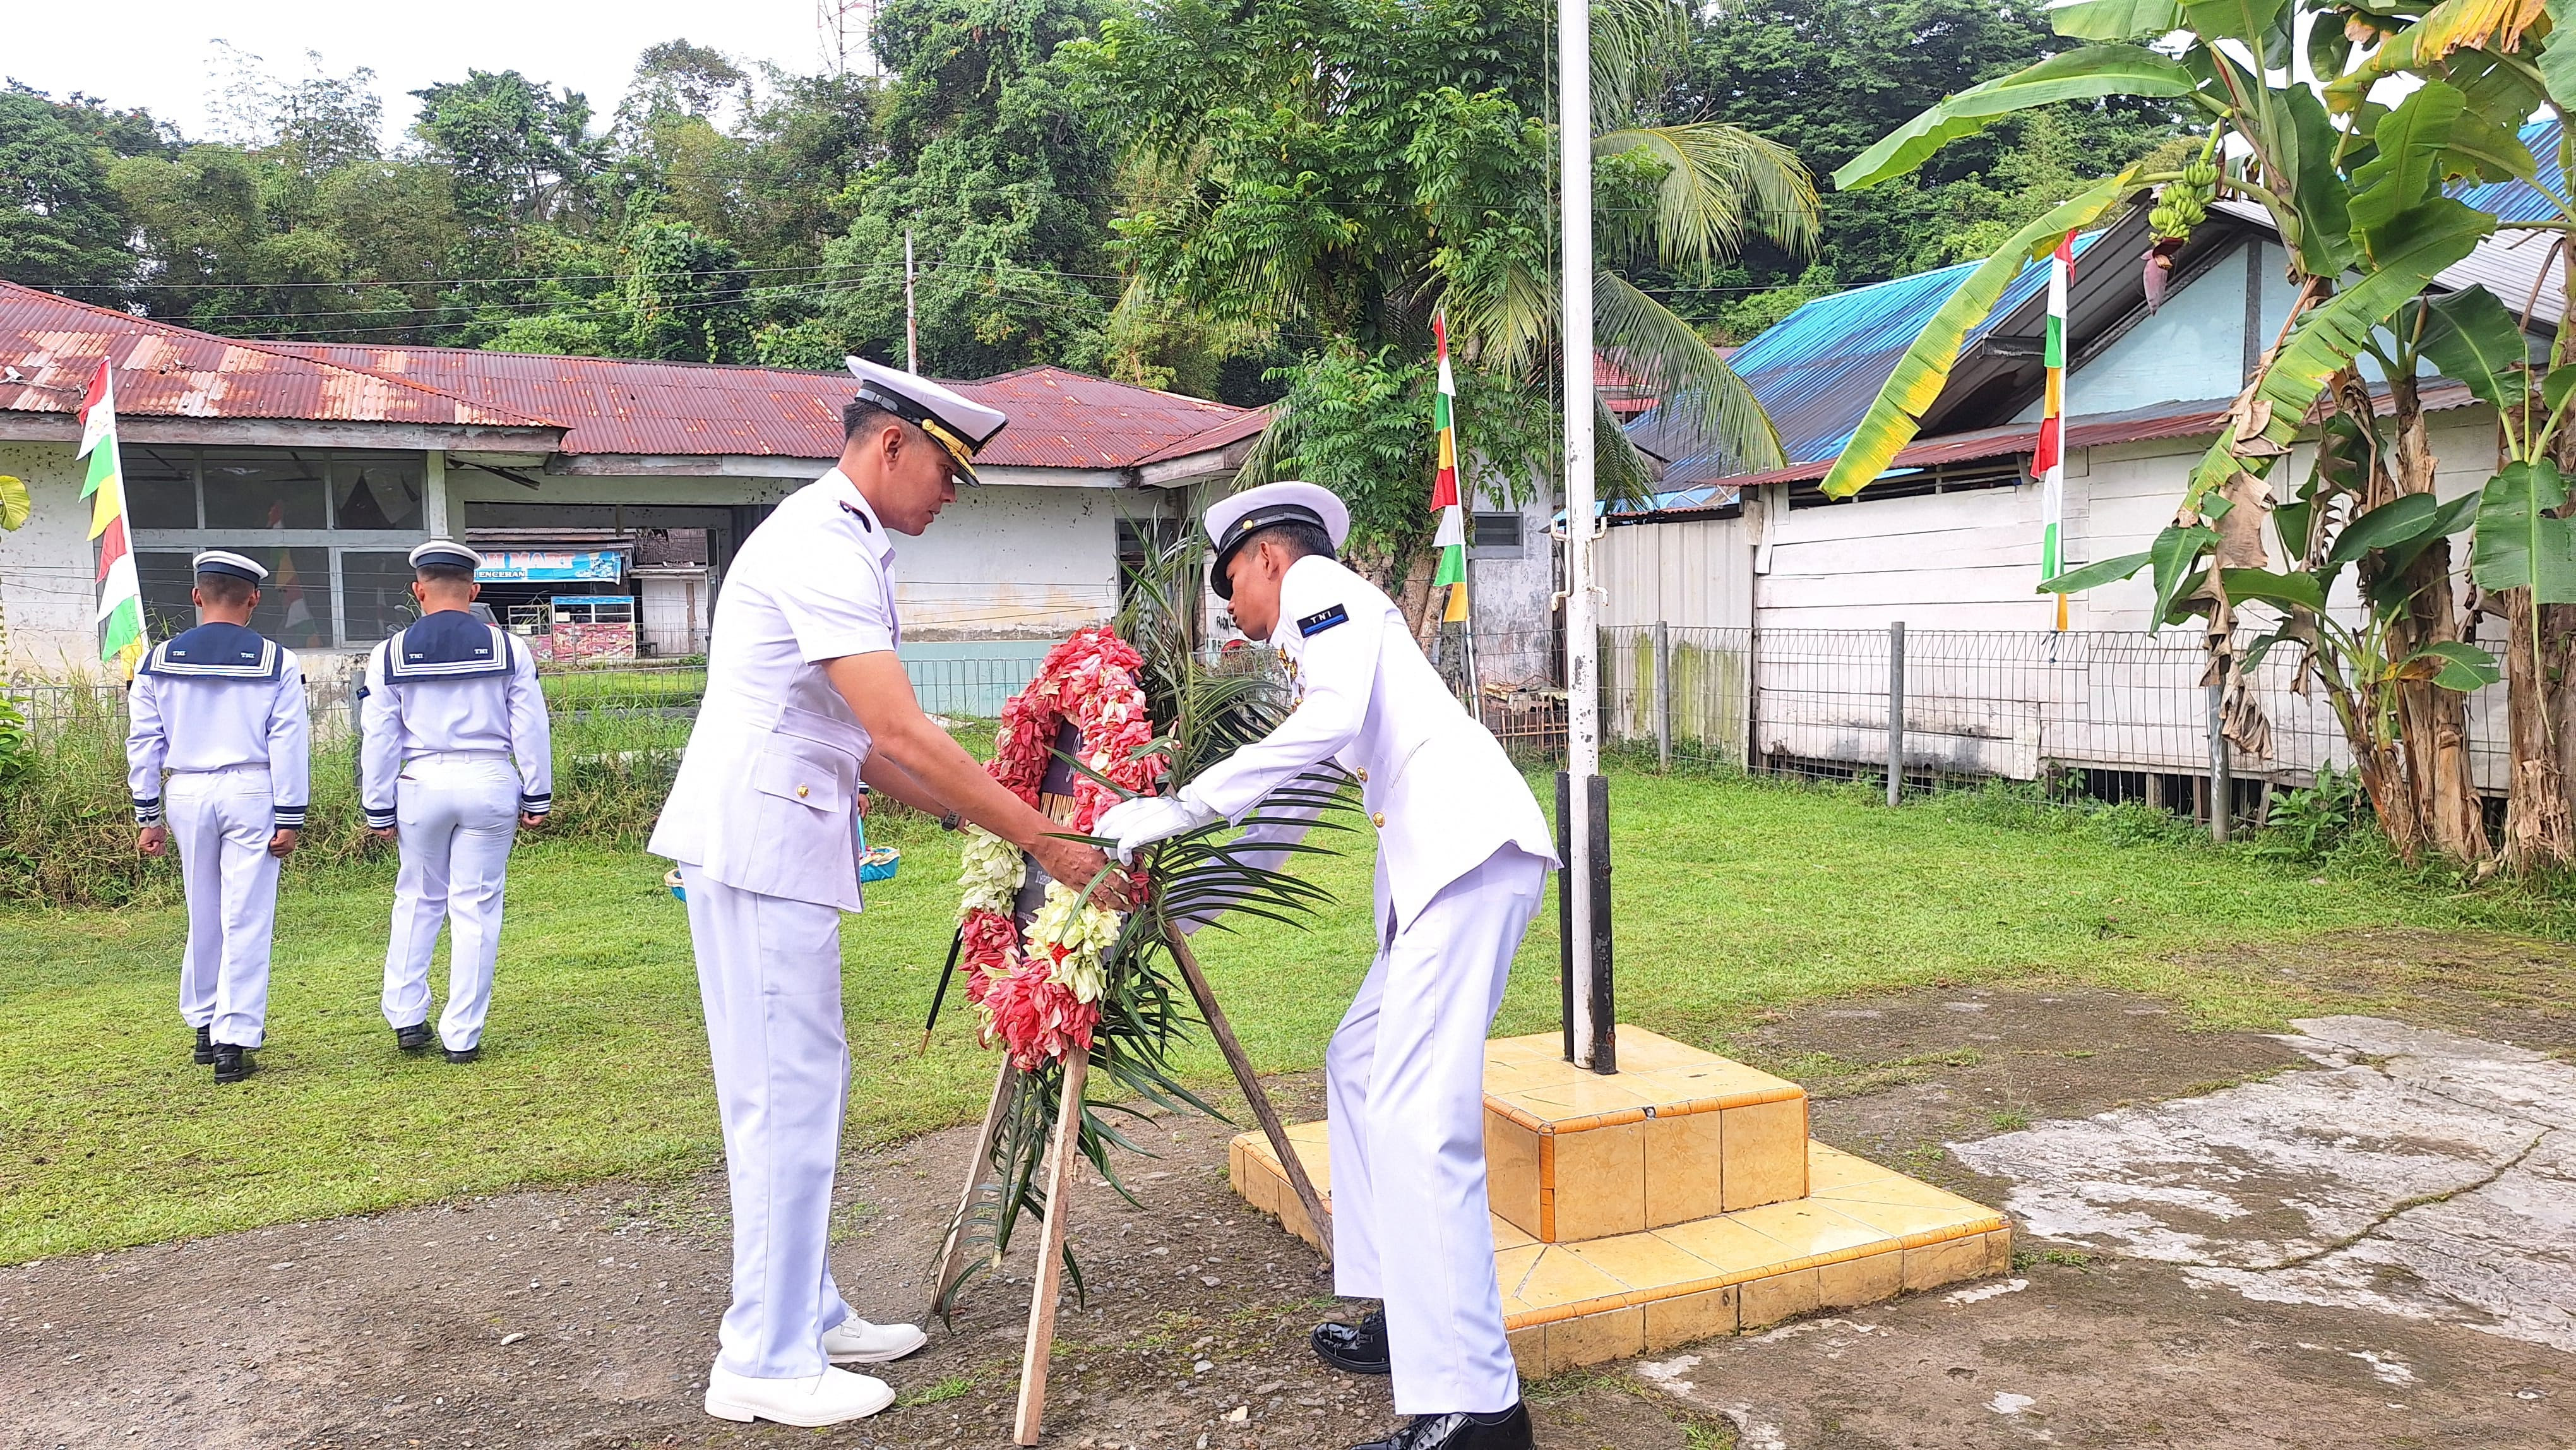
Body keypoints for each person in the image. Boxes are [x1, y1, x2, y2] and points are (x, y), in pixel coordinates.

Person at [648, 357, 1132, 1429]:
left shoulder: (845, 539)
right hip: (763, 843)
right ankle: (764, 1360)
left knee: (796, 1088)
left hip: (775, 835)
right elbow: (901, 727)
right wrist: (1044, 837)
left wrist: (974, 816)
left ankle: (802, 1312)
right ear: (890, 446)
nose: (951, 497)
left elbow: (864, 743)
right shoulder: (823, 542)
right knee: (785, 1097)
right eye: (947, 474)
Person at [1097, 482, 1556, 1450]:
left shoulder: (1318, 589)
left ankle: (1480, 1407)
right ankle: (1409, 1319)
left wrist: (1182, 804)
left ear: (1267, 556)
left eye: (1231, 585)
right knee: (1359, 1061)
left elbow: (1328, 721)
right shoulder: (1330, 630)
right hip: (1454, 870)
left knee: (1422, 1122)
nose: (1235, 612)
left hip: (1468, 861)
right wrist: (1171, 893)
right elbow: (1294, 800)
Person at [359, 541, 553, 1065]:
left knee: (418, 899)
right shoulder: (511, 648)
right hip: (490, 780)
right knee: (477, 906)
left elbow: (379, 736)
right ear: (474, 590)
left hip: (421, 781)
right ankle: (462, 1035)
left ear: (418, 589)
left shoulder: (389, 653)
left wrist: (377, 804)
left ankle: (406, 1017)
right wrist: (538, 792)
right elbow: (530, 726)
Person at [126, 550, 313, 1086]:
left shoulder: (157, 659)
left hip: (185, 790)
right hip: (252, 788)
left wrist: (148, 813)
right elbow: (288, 743)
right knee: (246, 915)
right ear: (254, 599)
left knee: (203, 911)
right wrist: (290, 815)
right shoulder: (276, 660)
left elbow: (144, 742)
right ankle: (235, 1038)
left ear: (196, 596)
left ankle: (204, 1025)